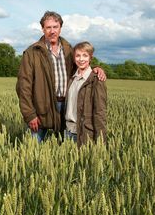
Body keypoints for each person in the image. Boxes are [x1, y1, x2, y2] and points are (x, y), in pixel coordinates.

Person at [16, 11, 106, 142]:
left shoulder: (69, 49)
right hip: (42, 107)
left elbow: (81, 63)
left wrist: (96, 69)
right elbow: (23, 86)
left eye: (55, 27)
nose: (52, 31)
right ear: (43, 29)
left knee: (66, 148)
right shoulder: (32, 53)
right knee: (33, 147)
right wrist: (29, 114)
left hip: (68, 107)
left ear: (60, 28)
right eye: (48, 27)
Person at [65, 41, 107, 146]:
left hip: (84, 134)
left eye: (85, 55)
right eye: (78, 55)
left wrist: (101, 141)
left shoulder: (96, 80)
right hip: (67, 132)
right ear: (74, 58)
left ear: (90, 58)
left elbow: (100, 112)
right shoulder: (72, 79)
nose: (81, 59)